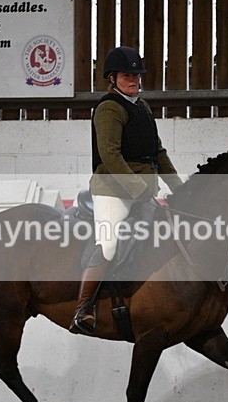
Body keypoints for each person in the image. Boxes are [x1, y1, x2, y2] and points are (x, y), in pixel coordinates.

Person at [70, 46, 183, 335]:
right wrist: (139, 190)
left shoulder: (142, 107)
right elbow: (110, 155)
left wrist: (180, 188)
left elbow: (158, 152)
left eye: (136, 74)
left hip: (143, 188)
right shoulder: (109, 108)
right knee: (108, 244)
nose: (133, 80)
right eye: (126, 75)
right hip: (113, 190)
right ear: (112, 78)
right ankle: (84, 308)